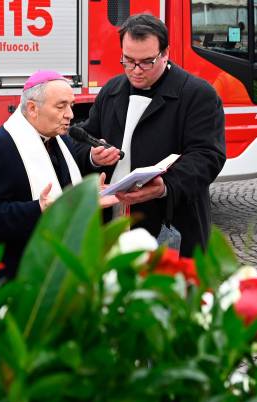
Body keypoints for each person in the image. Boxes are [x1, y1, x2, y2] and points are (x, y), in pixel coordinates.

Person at [76, 13, 226, 257]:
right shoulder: (112, 89)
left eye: (147, 62)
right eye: (128, 60)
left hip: (169, 221)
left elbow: (208, 156)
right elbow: (83, 139)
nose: (136, 71)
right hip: (112, 224)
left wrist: (165, 186)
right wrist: (94, 156)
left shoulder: (198, 94)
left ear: (165, 53)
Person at [0, 71, 120, 297]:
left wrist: (86, 199)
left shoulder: (61, 140)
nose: (70, 114)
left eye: (71, 105)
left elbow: (64, 192)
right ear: (32, 108)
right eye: (61, 107)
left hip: (57, 275)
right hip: (14, 280)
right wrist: (37, 209)